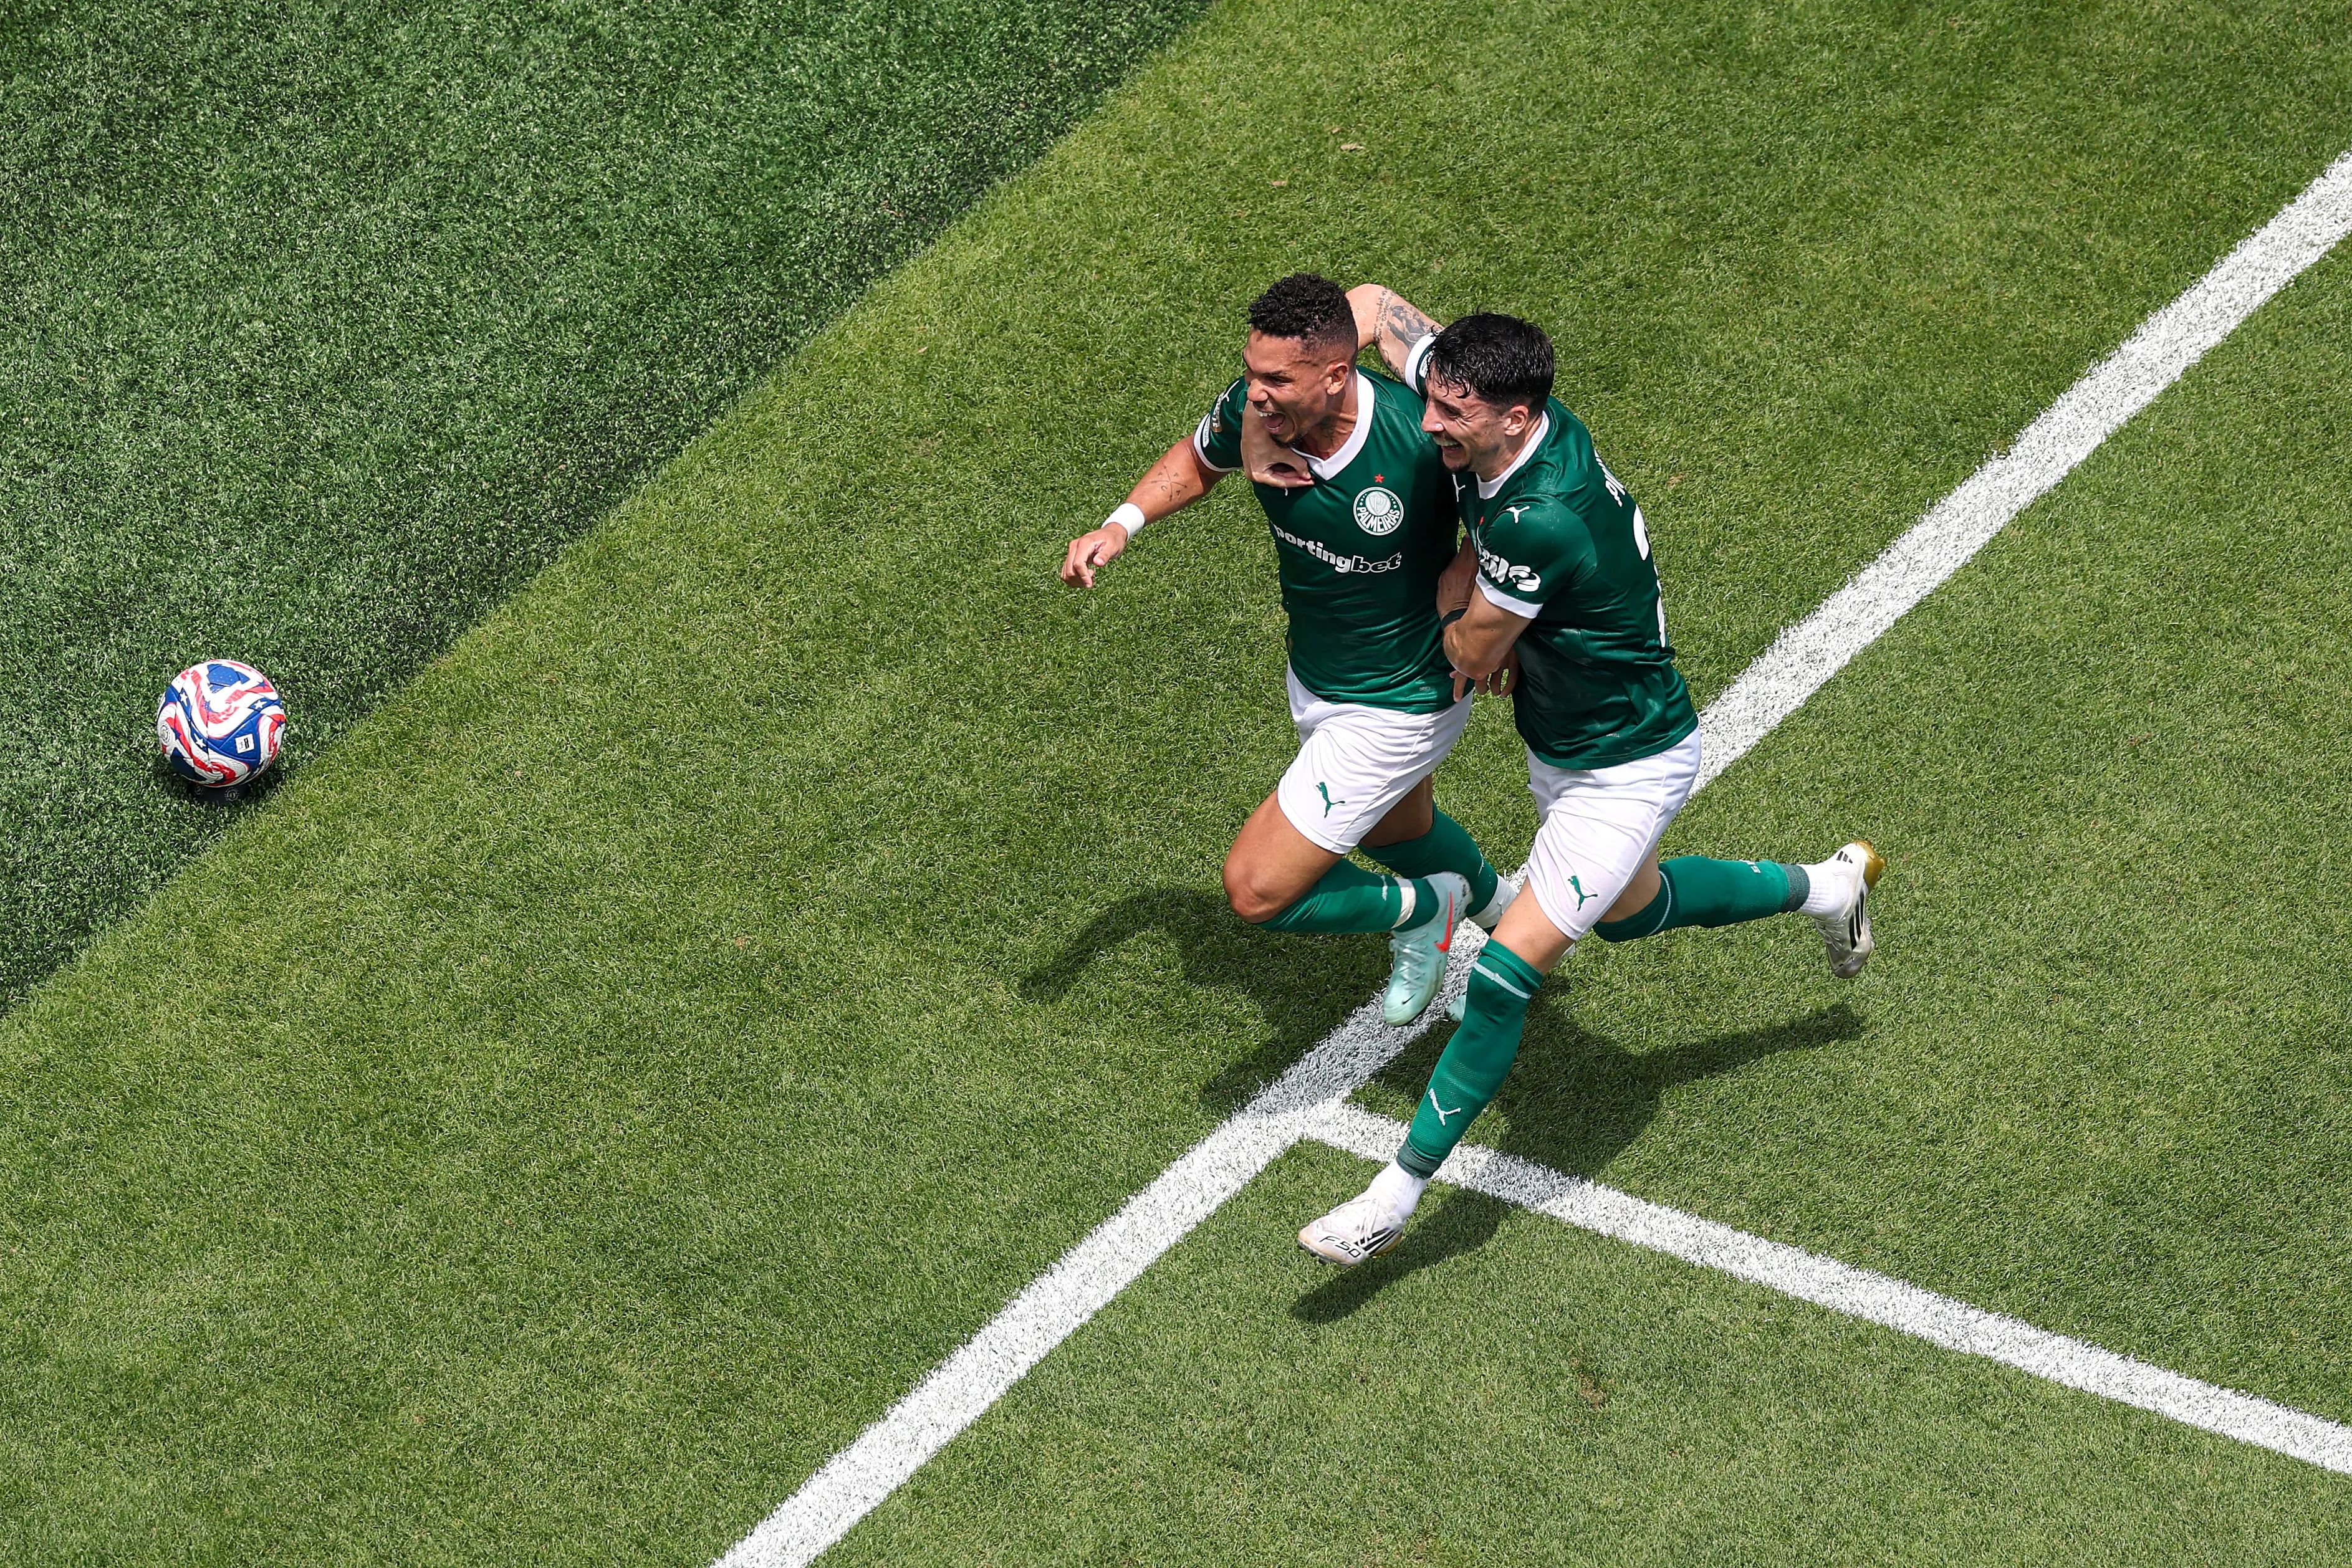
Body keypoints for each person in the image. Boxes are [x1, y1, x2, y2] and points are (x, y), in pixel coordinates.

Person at [1282, 290, 1884, 1265]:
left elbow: (1472, 654)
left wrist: (1425, 577)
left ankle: (1392, 1199)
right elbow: (1363, 308)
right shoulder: (1489, 404)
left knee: (1504, 976)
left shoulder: (1543, 516)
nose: (1427, 423)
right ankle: (1831, 885)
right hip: (1565, 746)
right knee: (1631, 913)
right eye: (1428, 401)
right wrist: (1290, 414)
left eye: (1449, 415)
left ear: (1515, 418)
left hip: (1627, 766)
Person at [1060, 273, 1514, 1026]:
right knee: (1394, 828)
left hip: (1402, 695)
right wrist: (1121, 525)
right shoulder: (1258, 414)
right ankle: (1503, 909)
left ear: (1336, 375)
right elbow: (1199, 459)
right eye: (1249, 373)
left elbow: (1509, 512)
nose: (1255, 392)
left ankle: (1425, 908)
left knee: (1256, 887)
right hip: (1319, 671)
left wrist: (1484, 618)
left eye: (1275, 378)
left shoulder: (1418, 437)